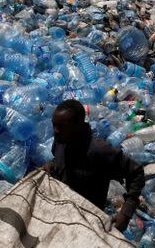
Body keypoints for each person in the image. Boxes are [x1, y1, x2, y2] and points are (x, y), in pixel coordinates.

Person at [46, 99, 145, 233]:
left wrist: (125, 213)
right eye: (54, 125)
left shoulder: (99, 151)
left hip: (88, 222)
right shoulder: (60, 141)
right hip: (61, 211)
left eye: (62, 126)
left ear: (78, 126)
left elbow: (136, 172)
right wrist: (52, 166)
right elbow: (59, 161)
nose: (55, 131)